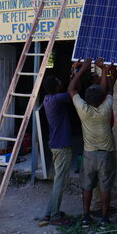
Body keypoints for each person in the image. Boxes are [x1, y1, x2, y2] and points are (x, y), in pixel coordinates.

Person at [68, 58, 117, 228]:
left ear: (86, 99)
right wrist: (105, 70)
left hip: (89, 154)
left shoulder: (83, 110)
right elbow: (109, 89)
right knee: (105, 187)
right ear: (101, 99)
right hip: (106, 153)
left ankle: (86, 217)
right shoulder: (106, 108)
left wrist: (81, 70)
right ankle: (104, 218)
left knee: (87, 187)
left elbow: (71, 89)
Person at [39, 75, 72, 226]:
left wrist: (72, 73)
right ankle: (55, 216)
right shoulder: (58, 99)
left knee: (57, 180)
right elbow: (72, 90)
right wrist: (82, 70)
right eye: (60, 81)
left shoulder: (48, 98)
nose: (62, 83)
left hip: (55, 145)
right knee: (59, 181)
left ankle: (49, 212)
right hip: (61, 146)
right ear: (57, 87)